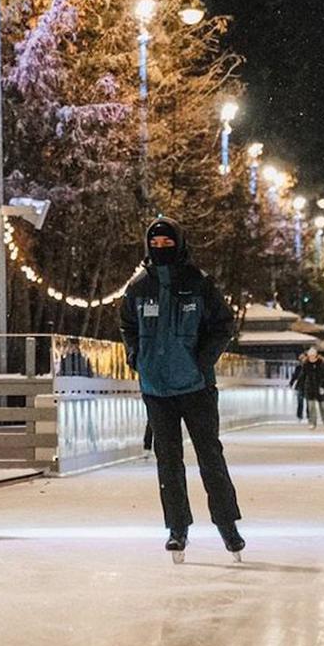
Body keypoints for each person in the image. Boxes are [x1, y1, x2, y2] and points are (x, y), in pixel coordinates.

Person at [120, 217, 245, 562]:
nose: (161, 249)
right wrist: (135, 355)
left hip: (196, 387)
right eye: (155, 244)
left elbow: (223, 325)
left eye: (167, 244)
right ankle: (177, 528)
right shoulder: (139, 287)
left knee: (210, 457)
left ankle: (227, 525)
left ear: (179, 243)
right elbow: (127, 325)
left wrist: (201, 361)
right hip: (157, 388)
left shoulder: (199, 283)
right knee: (169, 461)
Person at [299, 345, 324, 429]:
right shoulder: (306, 364)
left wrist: (323, 385)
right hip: (309, 388)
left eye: (313, 355)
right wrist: (300, 386)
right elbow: (302, 376)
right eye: (310, 355)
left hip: (320, 387)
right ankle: (312, 423)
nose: (312, 357)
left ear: (316, 355)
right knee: (311, 407)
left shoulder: (321, 363)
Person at [289, 353, 307, 420]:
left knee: (309, 402)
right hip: (300, 386)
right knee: (300, 401)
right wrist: (291, 383)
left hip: (308, 386)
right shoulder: (298, 368)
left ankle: (309, 414)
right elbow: (294, 376)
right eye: (301, 358)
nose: (303, 359)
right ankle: (299, 415)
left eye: (303, 358)